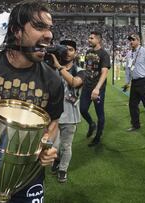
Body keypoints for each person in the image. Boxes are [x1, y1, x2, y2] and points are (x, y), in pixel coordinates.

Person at [0, 2, 64, 202]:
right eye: (40, 27)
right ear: (16, 30)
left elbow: (53, 122)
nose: (49, 35)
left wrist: (46, 144)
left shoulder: (53, 80)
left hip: (29, 178)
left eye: (49, 28)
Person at [51, 39, 83, 183]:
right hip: (53, 115)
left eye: (70, 49)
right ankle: (57, 160)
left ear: (75, 52)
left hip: (70, 115)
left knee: (66, 146)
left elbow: (74, 82)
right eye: (64, 49)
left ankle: (63, 169)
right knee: (54, 145)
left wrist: (58, 66)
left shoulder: (80, 70)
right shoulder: (51, 67)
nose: (67, 52)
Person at [80, 31, 110, 147]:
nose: (89, 39)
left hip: (98, 89)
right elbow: (87, 69)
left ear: (98, 40)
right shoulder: (88, 52)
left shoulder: (104, 54)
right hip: (86, 87)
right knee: (82, 109)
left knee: (100, 113)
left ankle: (97, 137)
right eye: (89, 37)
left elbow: (104, 72)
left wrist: (97, 88)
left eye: (91, 38)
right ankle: (91, 124)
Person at [124, 33, 145, 131]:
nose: (131, 42)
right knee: (132, 104)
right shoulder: (129, 54)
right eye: (130, 40)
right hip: (135, 82)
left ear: (138, 41)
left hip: (144, 81)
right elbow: (128, 69)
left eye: (133, 40)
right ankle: (135, 125)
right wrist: (127, 82)